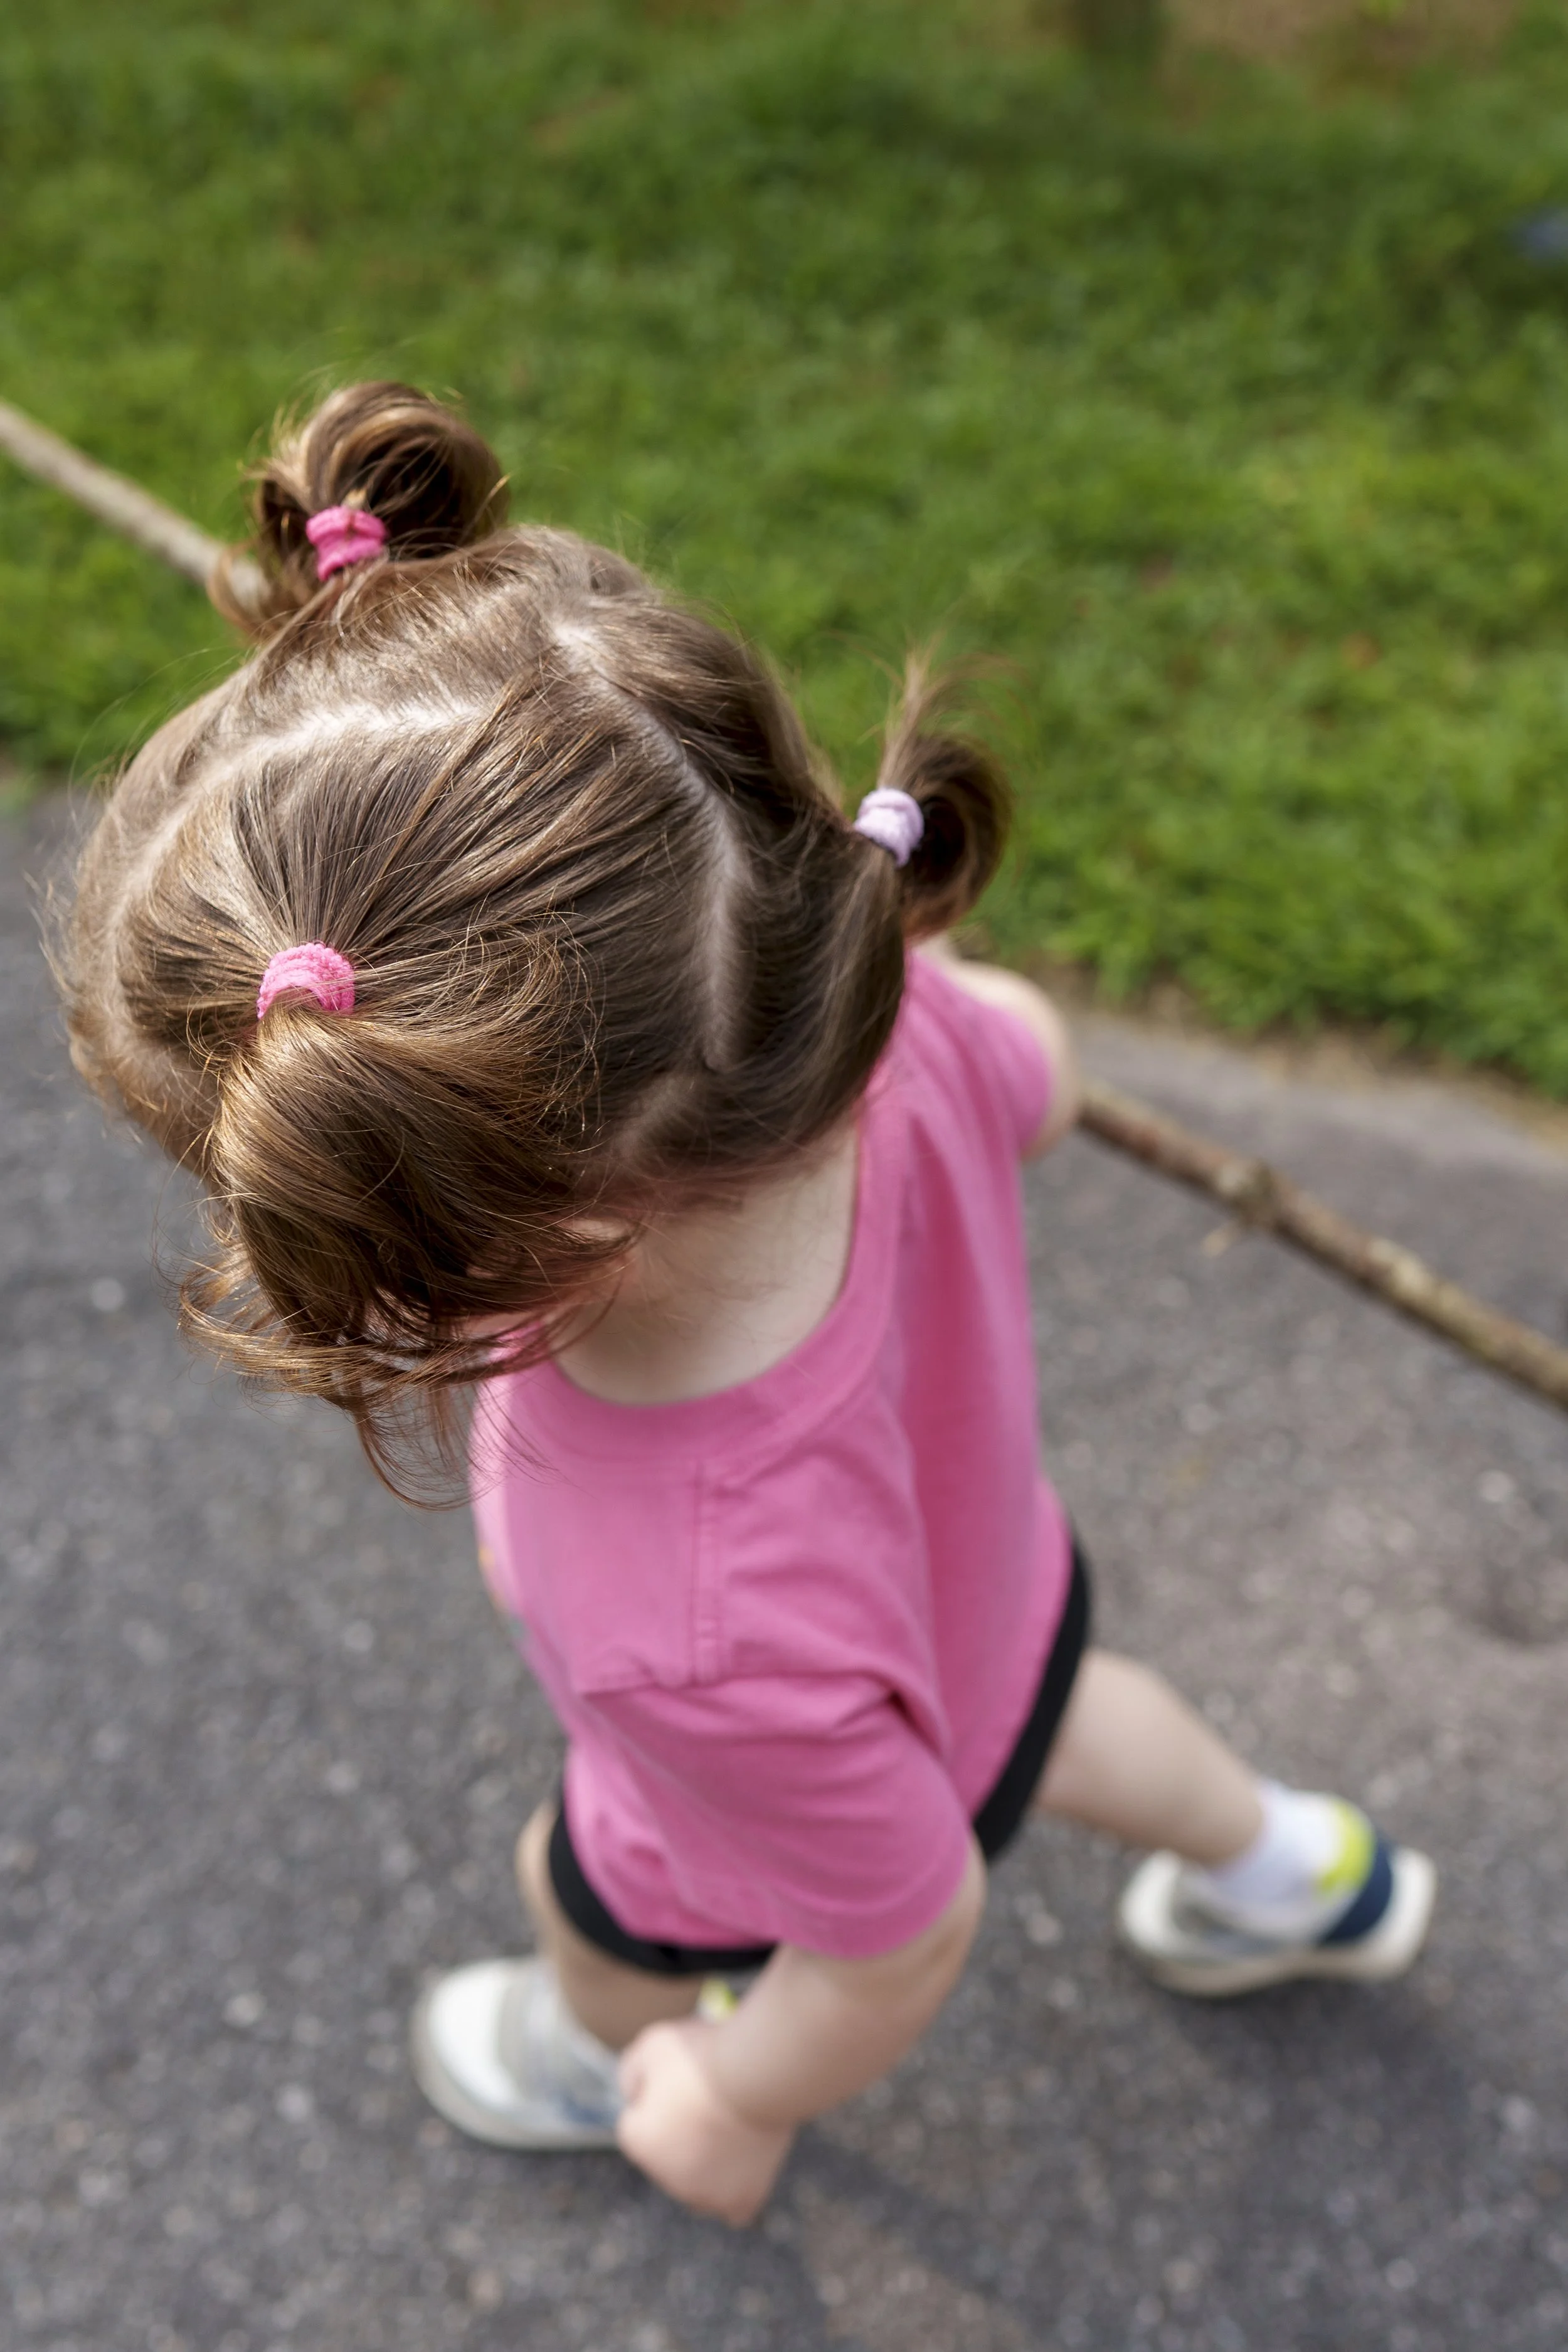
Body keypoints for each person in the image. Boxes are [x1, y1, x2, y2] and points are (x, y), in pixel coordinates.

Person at [58, 381, 1436, 2228]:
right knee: (1085, 1725)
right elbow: (1040, 1061)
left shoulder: (671, 1617)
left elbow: (904, 1924)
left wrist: (729, 2079)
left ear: (519, 1249)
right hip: (991, 1603)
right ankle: (1293, 1868)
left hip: (752, 1781)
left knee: (587, 1889)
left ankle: (588, 2042)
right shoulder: (869, 1036)